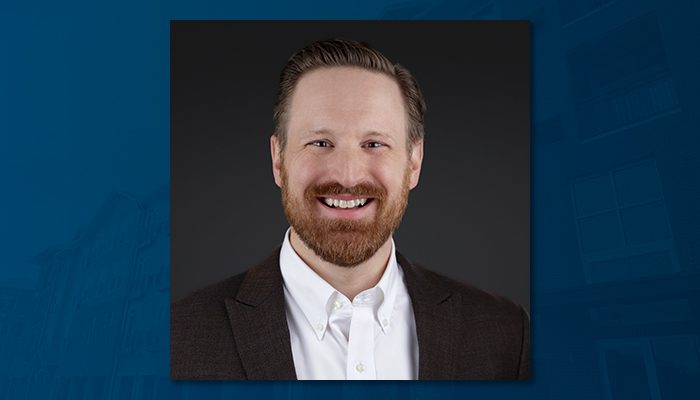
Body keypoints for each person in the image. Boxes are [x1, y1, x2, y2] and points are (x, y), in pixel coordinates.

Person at [171, 39, 530, 380]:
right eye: (320, 142)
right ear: (278, 161)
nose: (347, 175)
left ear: (414, 162)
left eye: (374, 143)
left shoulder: (505, 333)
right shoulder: (177, 334)